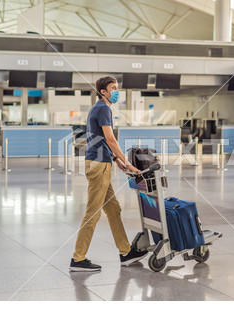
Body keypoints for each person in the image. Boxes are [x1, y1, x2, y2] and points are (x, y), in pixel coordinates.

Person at [70, 76, 148, 272]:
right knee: (93, 213)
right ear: (103, 91)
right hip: (98, 166)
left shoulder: (99, 108)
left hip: (101, 162)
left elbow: (100, 141)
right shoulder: (103, 108)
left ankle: (125, 252)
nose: (116, 91)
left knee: (113, 210)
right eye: (112, 88)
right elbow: (110, 139)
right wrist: (127, 162)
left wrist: (116, 160)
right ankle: (78, 259)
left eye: (117, 87)